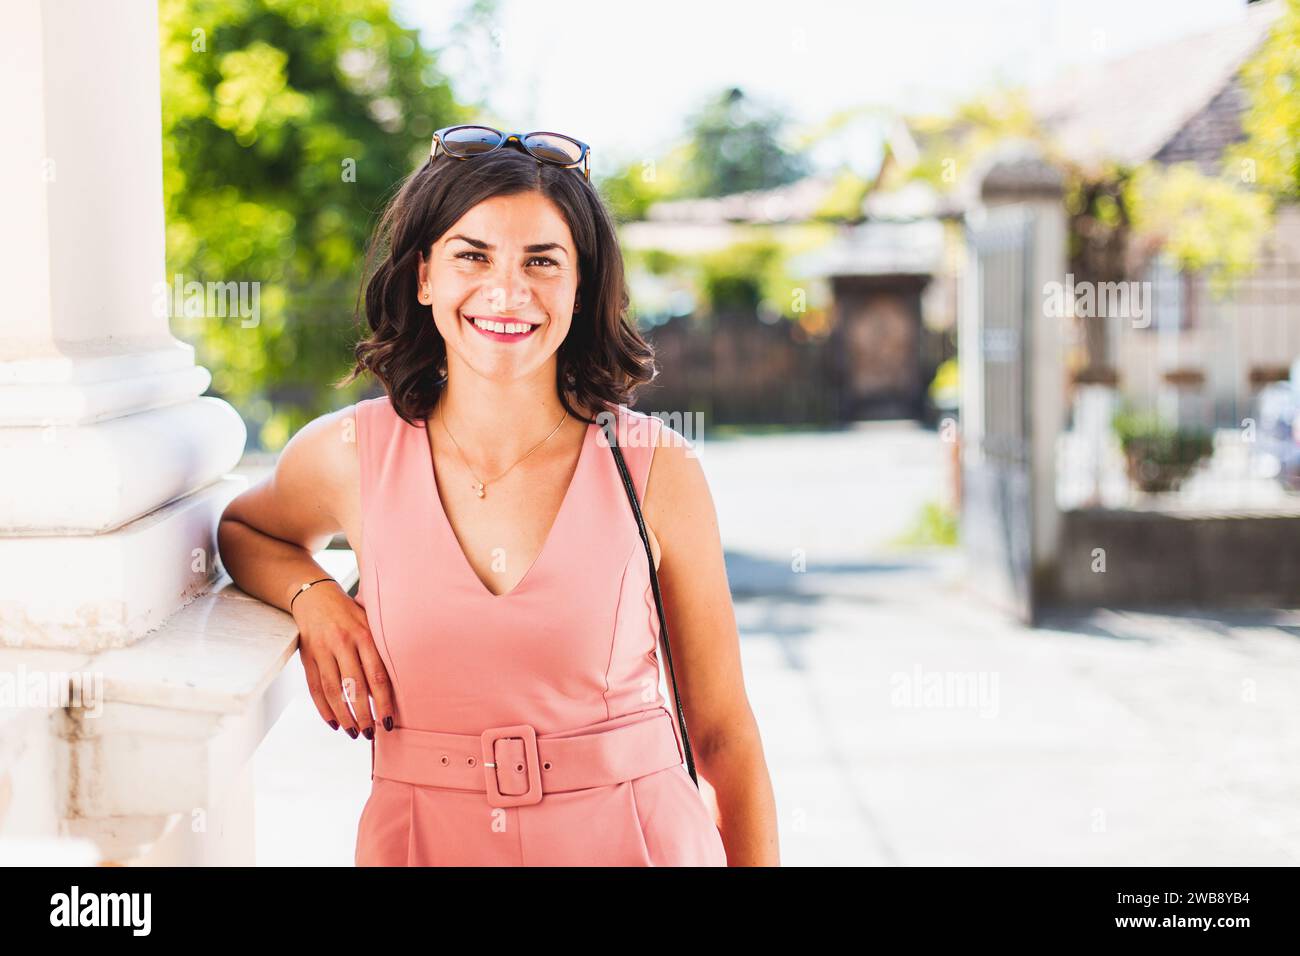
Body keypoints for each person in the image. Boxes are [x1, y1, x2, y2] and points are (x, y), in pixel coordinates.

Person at [217, 126, 778, 866]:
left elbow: (722, 735)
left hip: (638, 842)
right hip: (422, 845)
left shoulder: (655, 466)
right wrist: (312, 596)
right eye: (471, 255)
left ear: (580, 289)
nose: (507, 290)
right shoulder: (349, 454)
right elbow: (245, 531)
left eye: (542, 261)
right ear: (424, 277)